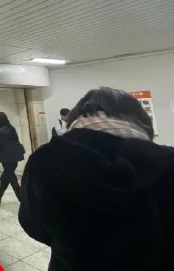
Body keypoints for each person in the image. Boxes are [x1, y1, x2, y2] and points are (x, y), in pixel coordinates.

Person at [19, 87, 174, 271]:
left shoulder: (46, 158)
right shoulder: (168, 161)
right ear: (142, 119)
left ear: (75, 118)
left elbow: (33, 224)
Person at [0, 112, 24, 205]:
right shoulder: (11, 128)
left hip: (6, 158)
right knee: (7, 176)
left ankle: (23, 199)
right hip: (15, 157)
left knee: (12, 179)